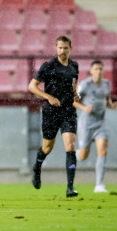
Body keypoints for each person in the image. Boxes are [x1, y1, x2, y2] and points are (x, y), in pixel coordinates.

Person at [28, 35, 80, 198]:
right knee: (47, 147)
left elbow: (73, 84)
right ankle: (37, 167)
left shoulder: (74, 66)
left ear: (70, 47)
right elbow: (32, 86)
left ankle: (70, 187)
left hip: (68, 111)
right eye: (60, 48)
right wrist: (48, 97)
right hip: (51, 112)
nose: (62, 51)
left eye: (65, 48)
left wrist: (75, 95)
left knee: (70, 146)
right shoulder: (48, 66)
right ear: (56, 48)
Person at [73, 60, 117, 193]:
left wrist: (112, 105)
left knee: (103, 151)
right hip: (87, 124)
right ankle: (76, 154)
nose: (99, 71)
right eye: (96, 69)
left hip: (100, 123)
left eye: (100, 69)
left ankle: (99, 185)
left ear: (103, 70)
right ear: (91, 71)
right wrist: (84, 107)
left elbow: (107, 101)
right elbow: (73, 101)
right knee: (83, 156)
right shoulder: (85, 85)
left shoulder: (106, 84)